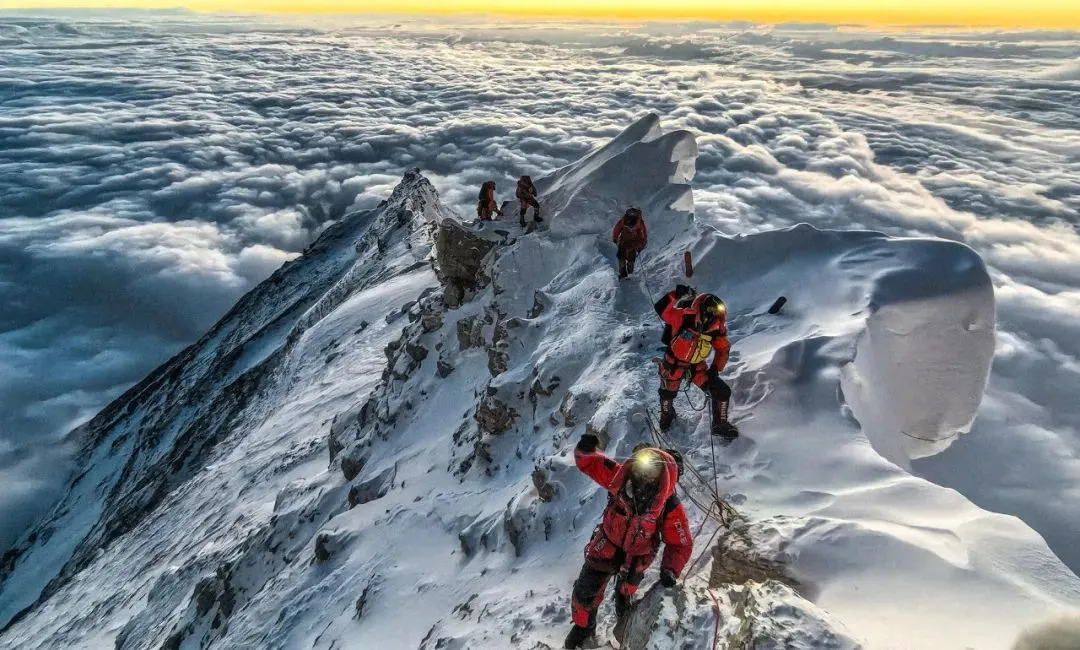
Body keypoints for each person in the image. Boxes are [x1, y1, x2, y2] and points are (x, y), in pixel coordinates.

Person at [564, 435, 693, 649]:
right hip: (606, 545)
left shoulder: (668, 505)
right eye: (639, 466)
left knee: (626, 592)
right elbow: (593, 464)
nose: (641, 475)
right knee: (584, 591)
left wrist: (671, 569)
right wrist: (585, 449)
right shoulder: (620, 477)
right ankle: (583, 628)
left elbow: (680, 542)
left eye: (649, 471)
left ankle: (625, 616)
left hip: (637, 556)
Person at [653, 285, 738, 439]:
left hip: (698, 366)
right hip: (673, 364)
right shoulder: (682, 316)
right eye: (709, 314)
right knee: (667, 394)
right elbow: (661, 309)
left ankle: (720, 424)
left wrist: (715, 369)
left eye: (715, 315)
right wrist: (674, 294)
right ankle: (667, 415)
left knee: (721, 392)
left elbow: (723, 349)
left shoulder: (716, 328)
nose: (710, 319)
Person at [612, 207, 648, 280]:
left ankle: (626, 273)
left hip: (629, 242)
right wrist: (615, 238)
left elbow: (617, 228)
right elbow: (617, 229)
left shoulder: (636, 222)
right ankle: (626, 273)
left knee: (626, 257)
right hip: (628, 242)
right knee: (625, 257)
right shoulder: (627, 220)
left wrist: (615, 238)